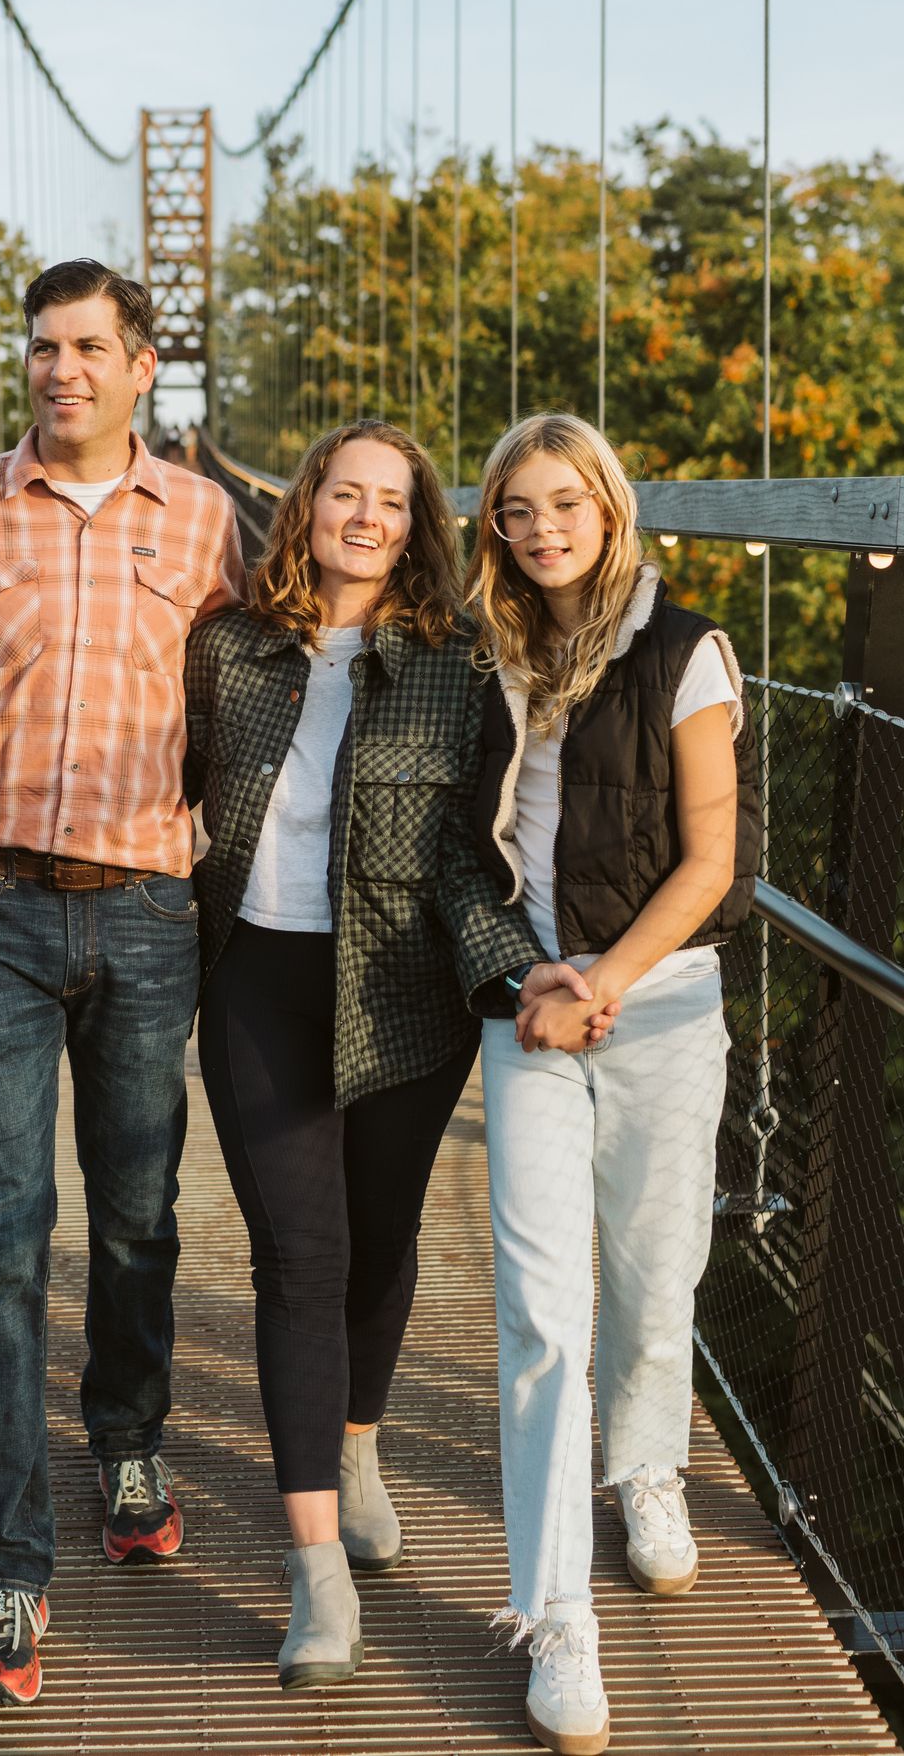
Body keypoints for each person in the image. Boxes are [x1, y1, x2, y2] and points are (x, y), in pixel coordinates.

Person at [0, 258, 246, 1708]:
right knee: (4, 1237)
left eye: (90, 347)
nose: (60, 368)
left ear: (143, 368)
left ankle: (128, 1431)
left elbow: (258, 706)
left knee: (139, 1214)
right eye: (43, 346)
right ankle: (10, 1562)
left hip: (149, 909)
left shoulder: (206, 522)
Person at [182, 419, 619, 1692]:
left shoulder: (455, 657)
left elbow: (456, 855)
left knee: (379, 1244)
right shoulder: (225, 646)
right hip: (256, 975)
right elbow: (167, 785)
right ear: (302, 503)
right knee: (296, 1256)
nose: (364, 516)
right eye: (343, 492)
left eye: (390, 499)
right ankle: (314, 1564)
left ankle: (358, 1439)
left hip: (406, 988)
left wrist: (513, 961)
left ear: (416, 520)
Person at [465, 412, 761, 1756]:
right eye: (516, 511)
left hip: (656, 999)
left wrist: (605, 984)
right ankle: (554, 1617)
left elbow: (712, 861)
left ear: (610, 507)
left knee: (656, 1274)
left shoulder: (687, 648)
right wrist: (536, 980)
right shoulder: (479, 651)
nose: (541, 531)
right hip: (530, 1005)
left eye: (563, 505)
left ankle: (644, 1468)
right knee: (541, 1310)